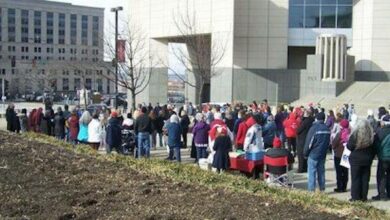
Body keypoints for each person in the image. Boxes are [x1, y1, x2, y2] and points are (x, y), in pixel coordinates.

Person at [347, 119, 375, 202]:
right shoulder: (371, 136)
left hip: (356, 159)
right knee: (365, 179)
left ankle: (355, 197)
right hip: (367, 159)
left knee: (355, 178)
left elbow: (349, 146)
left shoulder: (355, 135)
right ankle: (363, 197)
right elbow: (374, 148)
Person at [304, 112, 331, 192]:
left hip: (313, 154)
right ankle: (322, 189)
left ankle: (311, 190)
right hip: (322, 154)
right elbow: (328, 142)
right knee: (321, 172)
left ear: (316, 118)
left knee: (312, 173)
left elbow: (309, 142)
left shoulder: (314, 128)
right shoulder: (327, 129)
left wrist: (305, 153)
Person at [372, 115, 390, 200]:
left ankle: (382, 194)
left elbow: (375, 144)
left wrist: (374, 154)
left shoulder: (380, 131)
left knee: (381, 176)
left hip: (383, 157)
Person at [331, 119, 350, 193]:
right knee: (345, 171)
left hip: (338, 154)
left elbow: (334, 143)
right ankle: (344, 186)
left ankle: (340, 187)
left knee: (339, 172)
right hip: (346, 153)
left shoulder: (340, 133)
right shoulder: (349, 133)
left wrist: (333, 147)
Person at [296, 109, 314, 173]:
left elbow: (298, 130)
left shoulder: (306, 121)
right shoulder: (312, 120)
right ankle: (305, 168)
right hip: (308, 138)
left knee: (300, 155)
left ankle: (301, 169)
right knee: (306, 154)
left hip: (302, 139)